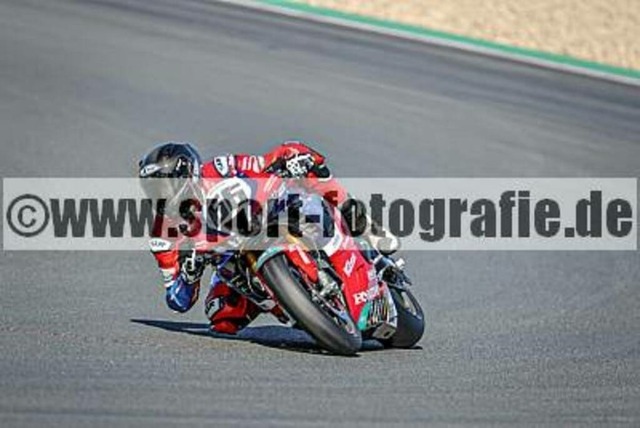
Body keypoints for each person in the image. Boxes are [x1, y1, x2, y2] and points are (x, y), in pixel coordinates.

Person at [137, 140, 398, 334]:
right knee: (220, 315)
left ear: (187, 174)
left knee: (300, 162)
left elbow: (262, 164)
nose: (160, 196)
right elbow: (177, 301)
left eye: (164, 186)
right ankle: (298, 308)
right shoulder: (163, 235)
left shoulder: (219, 168)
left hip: (268, 215)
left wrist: (289, 161)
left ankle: (361, 222)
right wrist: (189, 274)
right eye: (152, 190)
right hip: (234, 261)